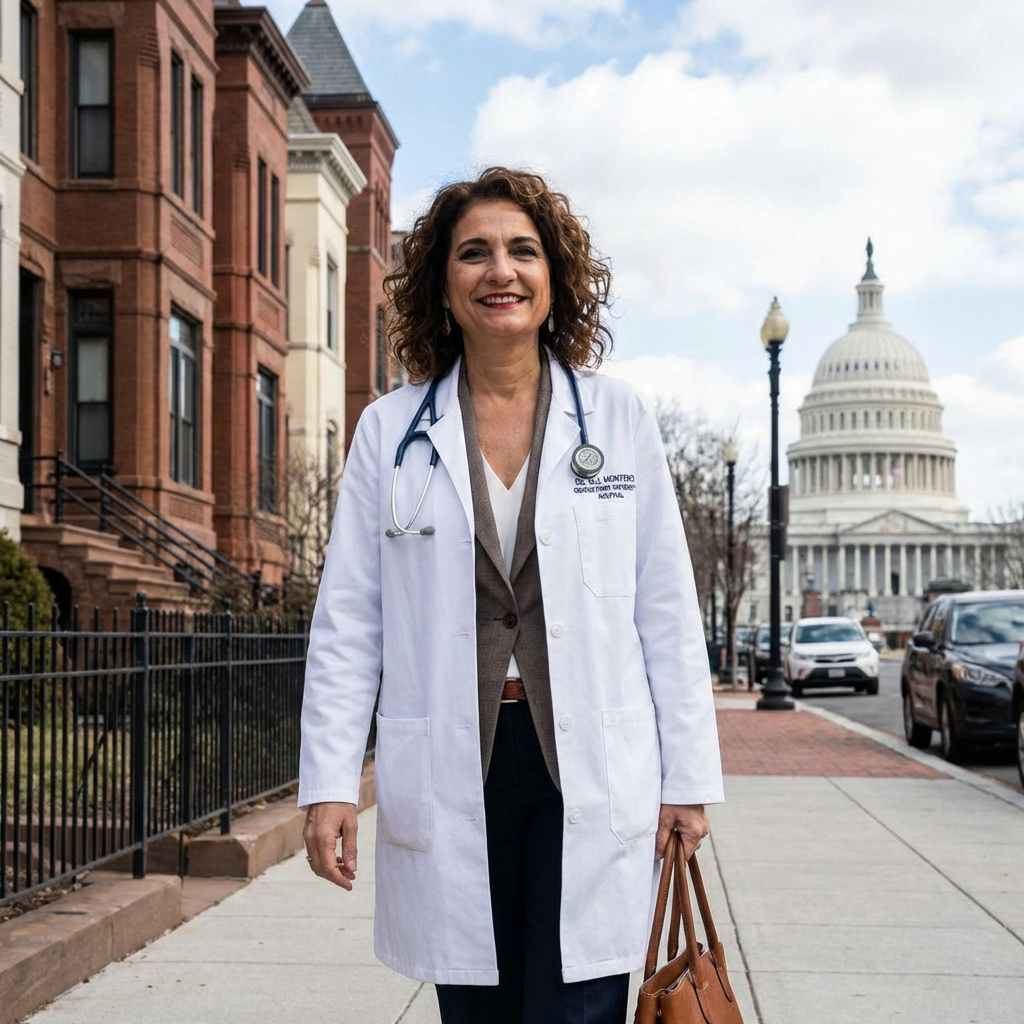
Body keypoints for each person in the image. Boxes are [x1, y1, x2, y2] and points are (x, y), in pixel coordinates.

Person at [300, 167, 723, 1024]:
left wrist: (689, 778)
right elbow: (351, 622)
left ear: (555, 278)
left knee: (580, 1007)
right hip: (456, 761)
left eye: (523, 251)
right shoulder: (392, 431)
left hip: (591, 766)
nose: (502, 270)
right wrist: (329, 782)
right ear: (442, 286)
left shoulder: (616, 419)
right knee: (478, 1007)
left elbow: (666, 612)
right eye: (475, 253)